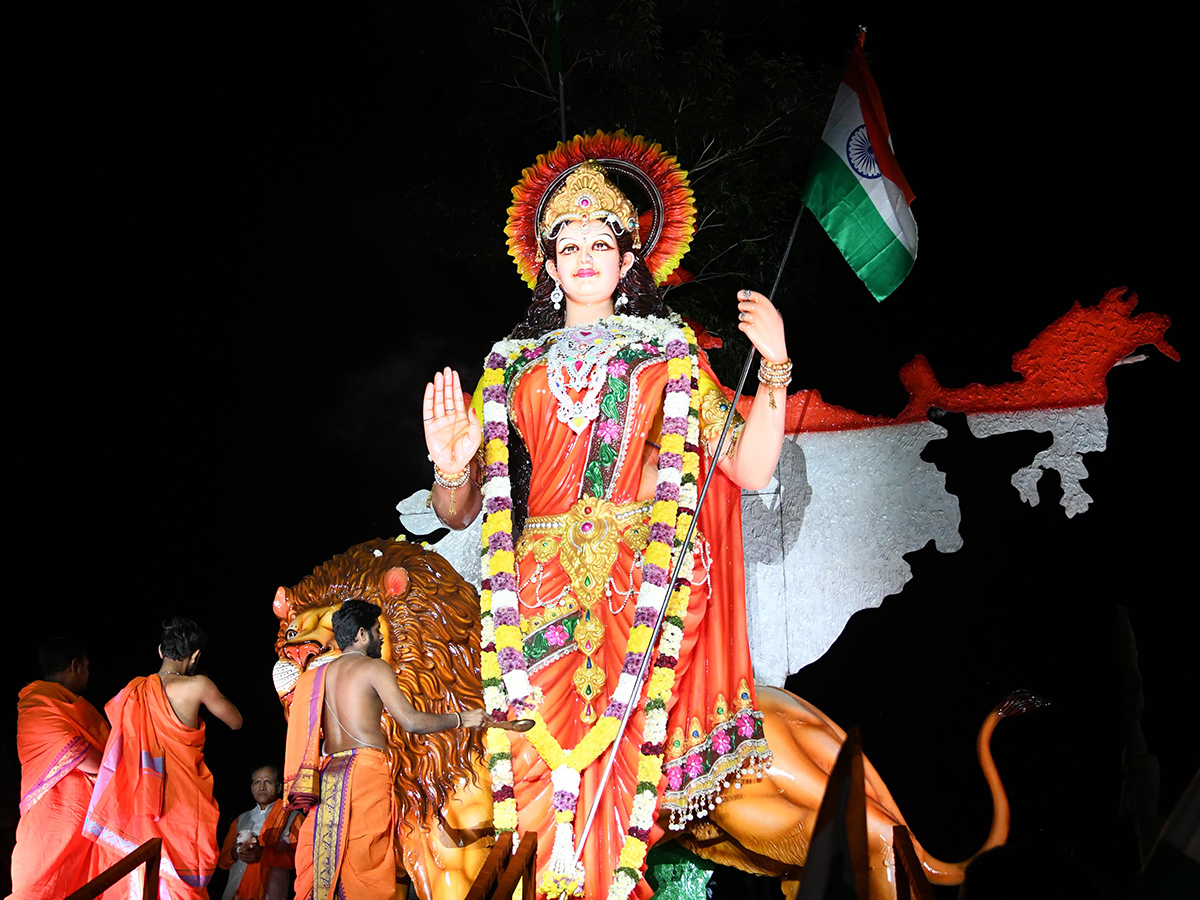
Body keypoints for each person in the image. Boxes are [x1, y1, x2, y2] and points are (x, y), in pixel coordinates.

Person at [421, 133, 789, 899]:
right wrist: (449, 460)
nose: (585, 255)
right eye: (568, 245)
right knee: (529, 778)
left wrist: (777, 367)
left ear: (629, 261)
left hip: (635, 587)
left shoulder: (669, 355)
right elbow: (458, 511)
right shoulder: (509, 366)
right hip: (536, 595)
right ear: (548, 268)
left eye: (602, 242)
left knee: (623, 778)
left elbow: (751, 469)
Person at [284, 598, 518, 900]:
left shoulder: (316, 677)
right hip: (365, 772)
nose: (381, 638)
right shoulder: (373, 667)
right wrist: (463, 718)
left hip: (329, 774)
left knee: (326, 866)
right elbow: (411, 722)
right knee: (365, 865)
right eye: (376, 631)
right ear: (360, 635)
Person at [84, 617, 243, 900]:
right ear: (194, 656)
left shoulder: (133, 691)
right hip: (181, 798)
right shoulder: (198, 685)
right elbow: (236, 722)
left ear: (160, 651)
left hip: (140, 798)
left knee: (143, 868)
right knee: (179, 876)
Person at [8, 637, 111, 900]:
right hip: (52, 819)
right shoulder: (38, 704)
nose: (88, 673)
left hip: (85, 820)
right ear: (75, 665)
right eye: (87, 666)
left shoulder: (70, 705)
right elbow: (85, 757)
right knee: (39, 885)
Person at [216, 765, 302, 900]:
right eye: (257, 782)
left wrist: (263, 854)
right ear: (251, 788)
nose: (262, 787)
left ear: (279, 787)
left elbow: (300, 861)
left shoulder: (292, 818)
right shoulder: (241, 820)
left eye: (267, 782)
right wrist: (234, 853)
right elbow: (222, 862)